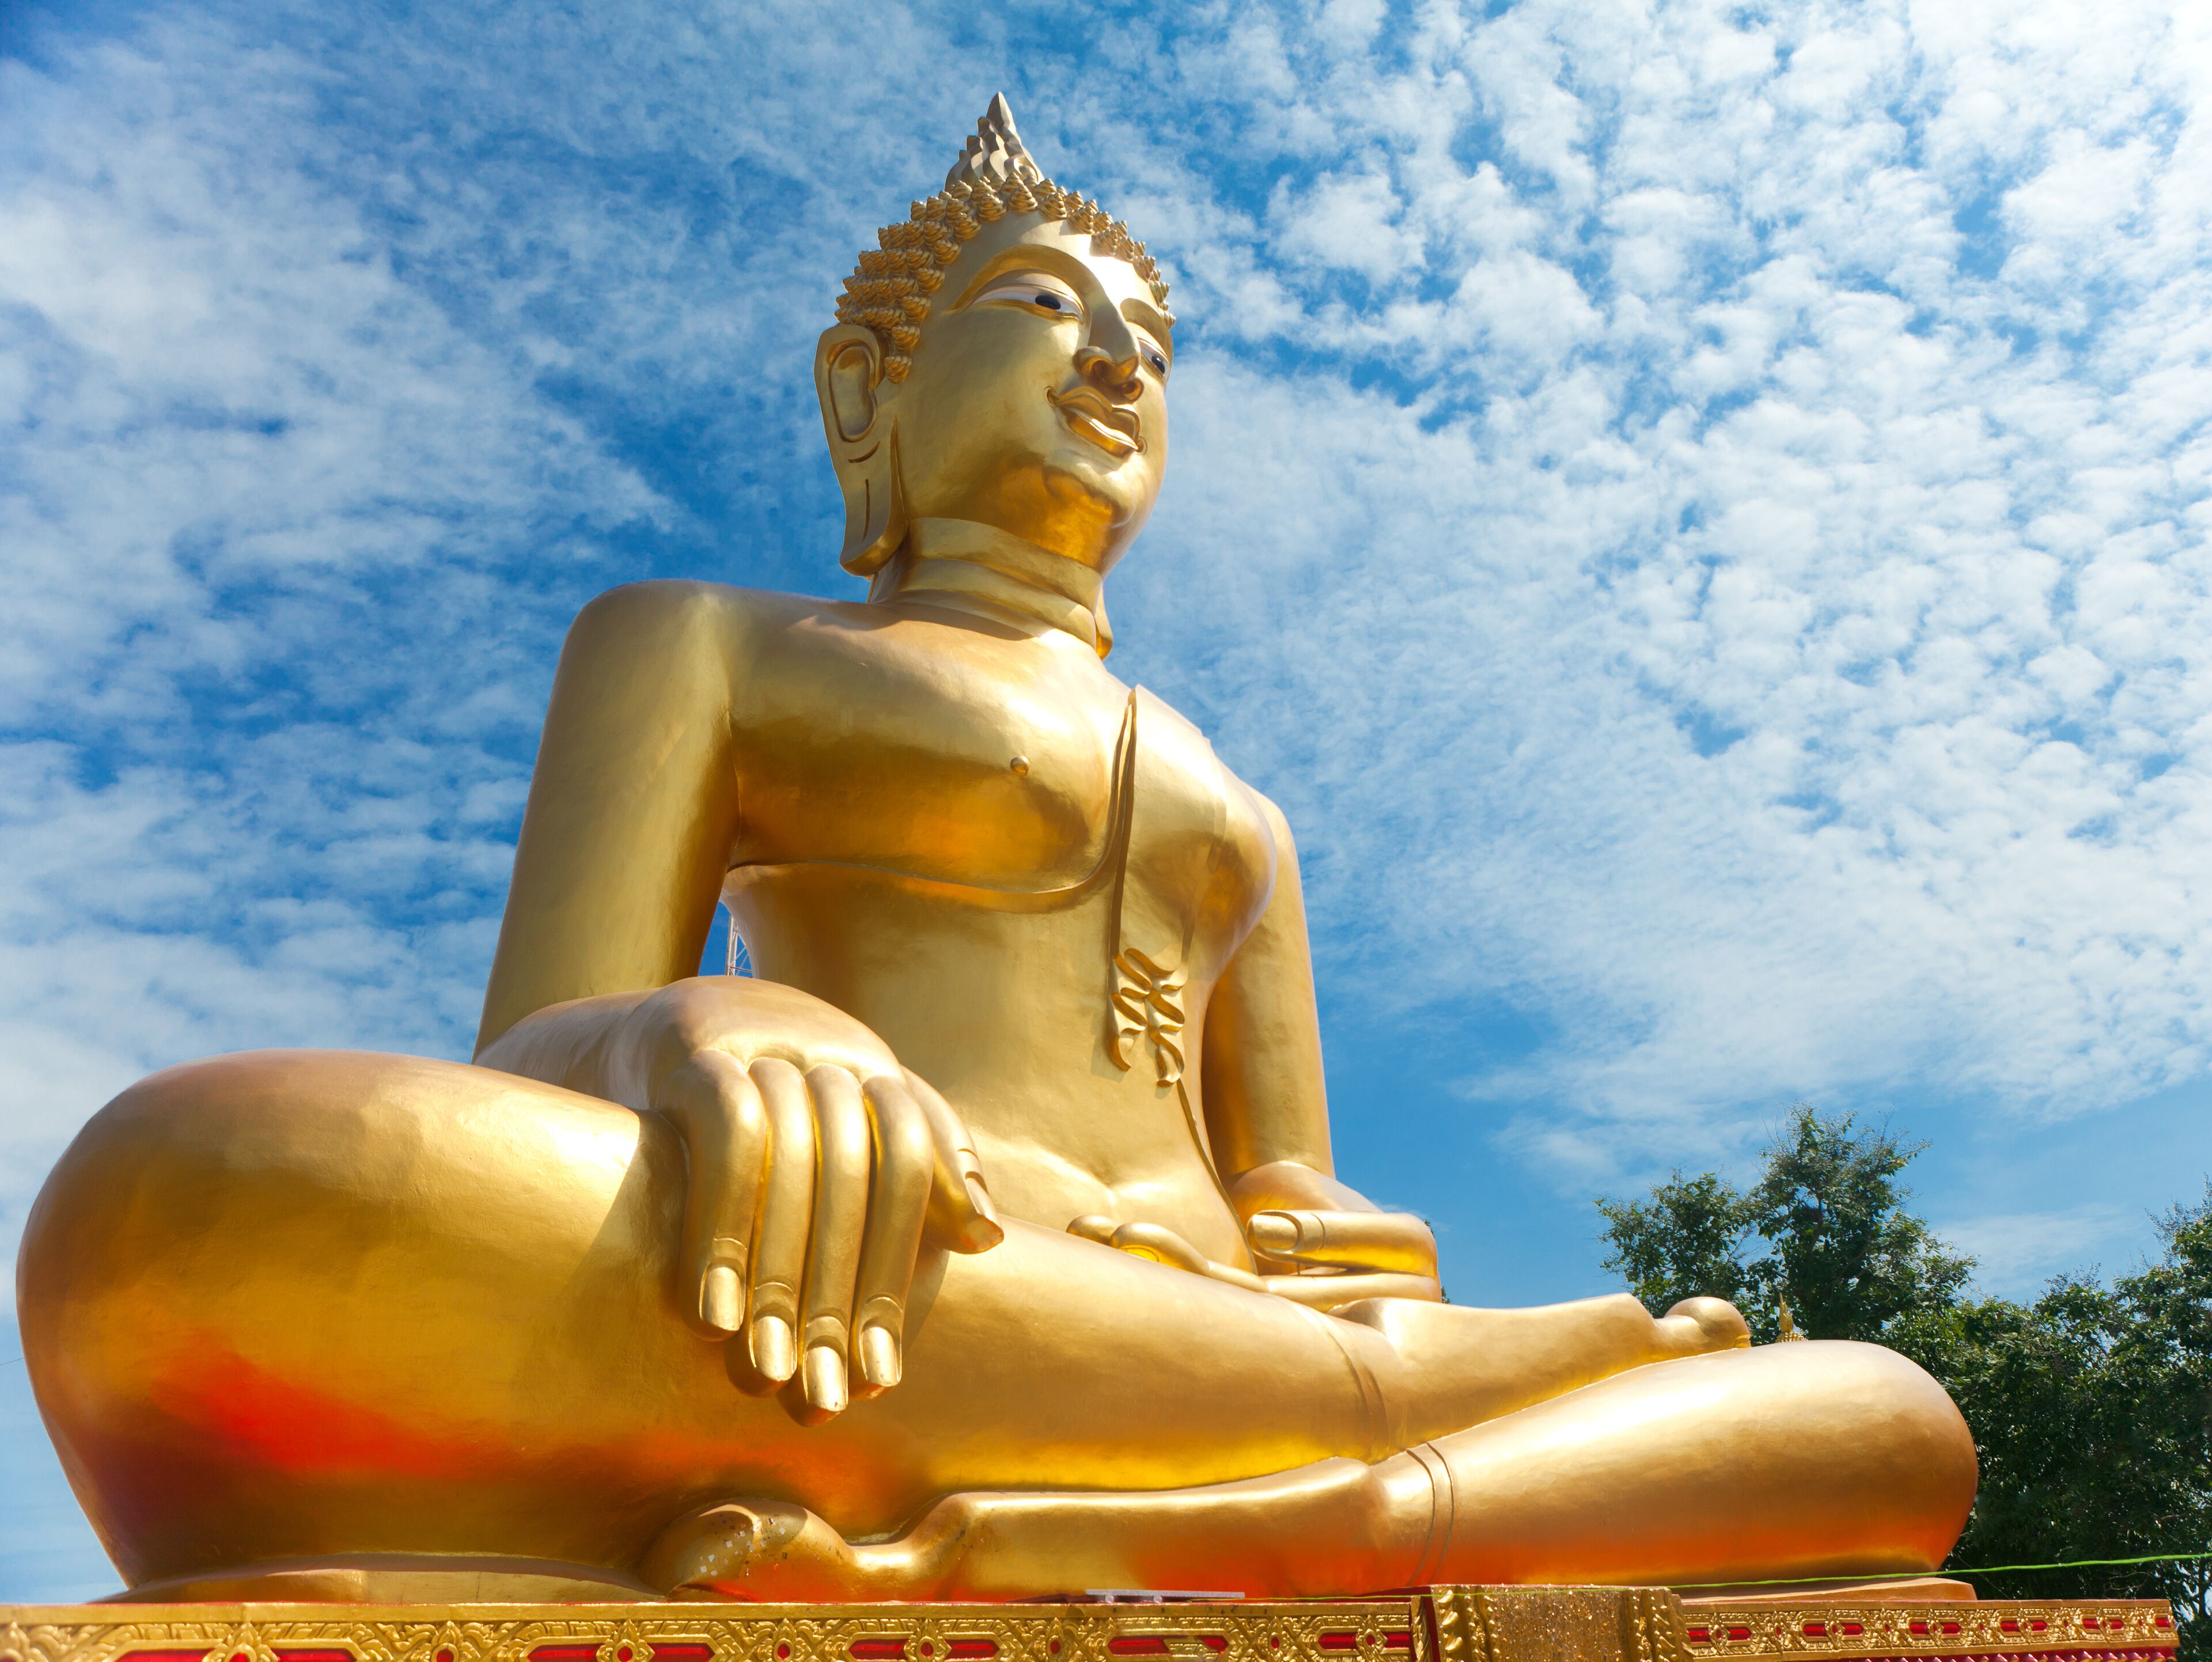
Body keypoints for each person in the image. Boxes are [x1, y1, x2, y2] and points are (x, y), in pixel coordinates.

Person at [17, 97, 1976, 1606]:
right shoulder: (705, 644)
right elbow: (533, 1040)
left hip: (1215, 1344)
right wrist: (702, 1031)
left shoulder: (1241, 807)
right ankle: (1412, 1448)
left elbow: (1296, 1187)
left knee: (1899, 1426)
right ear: (868, 392)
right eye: (1043, 308)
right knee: (199, 1197)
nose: (1113, 360)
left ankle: (1300, 1525)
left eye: (1145, 343)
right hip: (882, 1293)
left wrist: (1342, 1241)